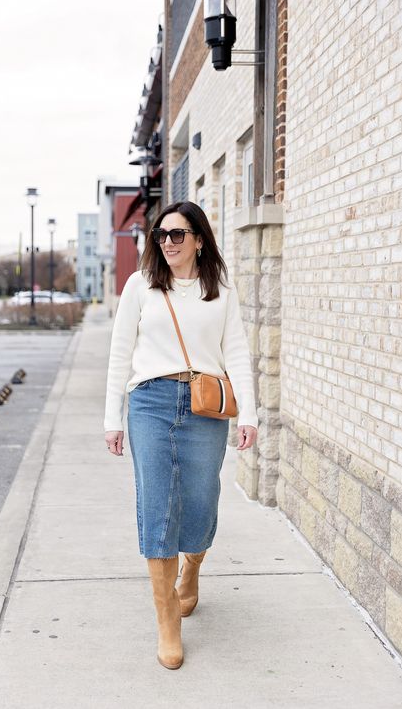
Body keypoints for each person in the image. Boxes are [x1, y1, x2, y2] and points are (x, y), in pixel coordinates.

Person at [104, 201, 258, 670]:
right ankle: (167, 616)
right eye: (161, 235)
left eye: (177, 234)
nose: (168, 242)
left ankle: (191, 568)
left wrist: (248, 414)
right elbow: (119, 353)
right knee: (157, 504)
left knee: (200, 500)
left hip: (206, 406)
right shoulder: (140, 286)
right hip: (150, 402)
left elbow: (237, 353)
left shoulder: (220, 290)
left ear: (199, 240)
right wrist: (113, 418)